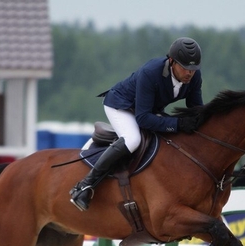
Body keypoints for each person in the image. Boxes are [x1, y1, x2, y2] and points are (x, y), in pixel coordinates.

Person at [70, 37, 204, 211]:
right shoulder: (151, 72)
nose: (189, 73)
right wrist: (178, 124)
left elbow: (197, 111)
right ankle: (84, 186)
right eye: (185, 68)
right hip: (120, 105)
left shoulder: (194, 77)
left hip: (147, 109)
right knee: (133, 139)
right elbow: (143, 119)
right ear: (171, 61)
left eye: (193, 69)